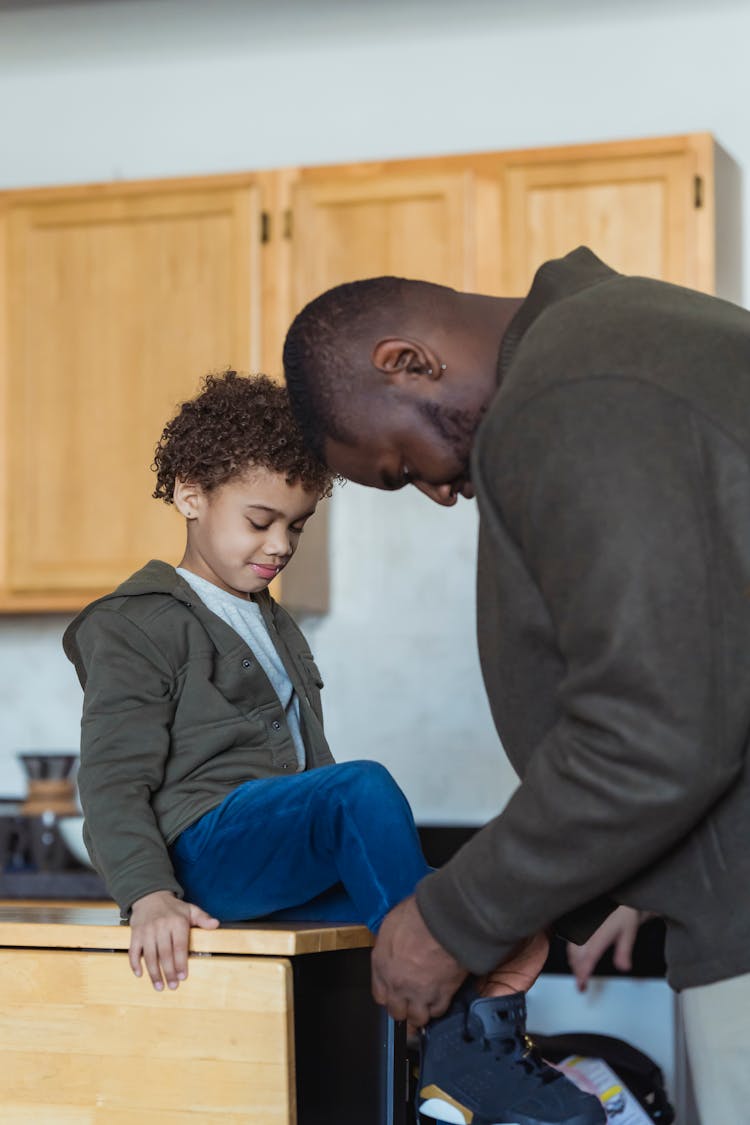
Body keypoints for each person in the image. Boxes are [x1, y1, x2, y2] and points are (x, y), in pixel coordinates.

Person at [282, 248, 750, 1124]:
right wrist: (561, 898)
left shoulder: (570, 389)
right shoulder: (630, 337)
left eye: (403, 465)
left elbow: (652, 729)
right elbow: (711, 665)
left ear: (407, 361)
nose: (438, 493)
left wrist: (453, 916)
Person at [63, 369, 605, 1125]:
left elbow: (298, 769)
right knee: (361, 789)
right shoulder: (137, 622)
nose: (279, 544)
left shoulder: (272, 621)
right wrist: (149, 893)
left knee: (476, 905)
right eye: (259, 520)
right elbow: (113, 778)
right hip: (200, 853)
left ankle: (481, 1056)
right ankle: (452, 1053)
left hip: (273, 853)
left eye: (297, 524)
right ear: (191, 494)